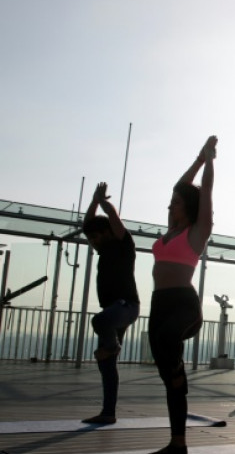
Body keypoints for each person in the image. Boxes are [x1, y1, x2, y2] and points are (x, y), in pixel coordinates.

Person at [148, 136, 216, 454]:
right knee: (166, 374)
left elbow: (205, 195)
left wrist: (209, 161)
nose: (170, 204)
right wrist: (197, 159)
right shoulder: (170, 230)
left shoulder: (196, 232)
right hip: (159, 305)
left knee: (167, 345)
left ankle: (178, 375)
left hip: (184, 306)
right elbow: (180, 185)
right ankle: (178, 443)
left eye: (176, 202)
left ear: (186, 206)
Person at [81, 182, 140, 425]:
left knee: (99, 320)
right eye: (91, 238)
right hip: (113, 311)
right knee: (106, 364)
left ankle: (113, 345)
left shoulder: (123, 245)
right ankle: (108, 413)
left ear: (107, 233)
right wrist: (93, 201)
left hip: (126, 307)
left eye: (96, 237)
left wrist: (104, 203)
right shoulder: (102, 252)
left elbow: (114, 218)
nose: (93, 241)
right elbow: (87, 225)